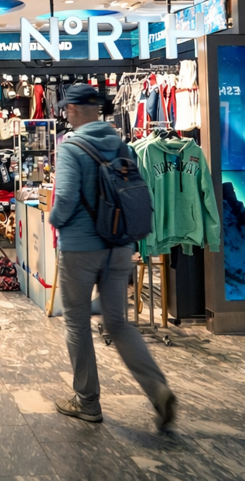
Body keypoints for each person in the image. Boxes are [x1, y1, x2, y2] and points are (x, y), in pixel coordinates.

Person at [49, 83, 176, 431]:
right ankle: (157, 389)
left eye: (67, 108)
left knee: (77, 322)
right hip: (119, 246)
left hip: (80, 249)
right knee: (118, 322)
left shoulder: (71, 147)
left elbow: (66, 199)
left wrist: (54, 219)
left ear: (74, 110)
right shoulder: (122, 145)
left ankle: (87, 401)